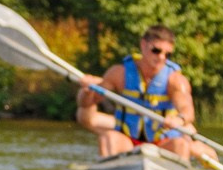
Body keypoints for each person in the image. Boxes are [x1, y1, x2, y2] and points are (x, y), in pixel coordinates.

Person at [77, 24, 198, 159]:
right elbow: (86, 104)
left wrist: (179, 119)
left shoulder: (175, 80)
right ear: (143, 45)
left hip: (162, 142)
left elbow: (187, 109)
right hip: (128, 140)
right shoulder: (119, 73)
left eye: (167, 54)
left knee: (180, 144)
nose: (161, 57)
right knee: (109, 137)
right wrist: (87, 90)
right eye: (156, 50)